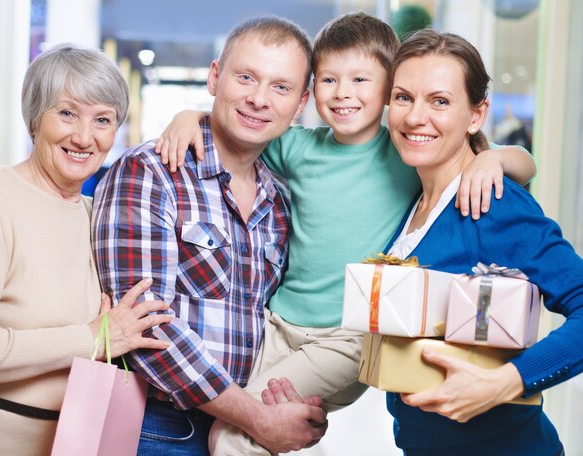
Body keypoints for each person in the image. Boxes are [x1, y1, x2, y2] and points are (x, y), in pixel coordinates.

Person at [157, 12, 536, 456]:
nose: (342, 94)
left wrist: (495, 160)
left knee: (235, 435)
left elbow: (524, 162)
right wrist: (190, 116)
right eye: (328, 79)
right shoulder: (297, 148)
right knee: (234, 419)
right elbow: (240, 126)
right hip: (276, 325)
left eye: (361, 80)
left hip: (347, 335)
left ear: (389, 90)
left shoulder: (404, 150)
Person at [91, 17, 328, 456]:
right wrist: (259, 418)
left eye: (281, 87)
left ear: (300, 104)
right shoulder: (151, 172)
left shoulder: (279, 200)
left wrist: (288, 405)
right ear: (215, 77)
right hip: (156, 428)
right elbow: (143, 328)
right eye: (246, 77)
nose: (259, 99)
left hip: (240, 436)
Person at [0, 44, 171, 456]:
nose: (84, 137)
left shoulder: (98, 216)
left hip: (80, 442)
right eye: (67, 113)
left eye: (103, 120)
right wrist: (93, 337)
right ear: (35, 118)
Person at [382, 29, 582, 455]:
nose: (416, 117)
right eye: (403, 97)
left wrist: (503, 384)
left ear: (476, 115)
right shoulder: (413, 198)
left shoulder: (493, 203)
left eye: (439, 101)